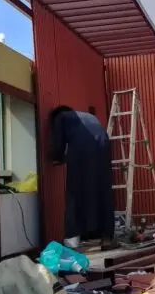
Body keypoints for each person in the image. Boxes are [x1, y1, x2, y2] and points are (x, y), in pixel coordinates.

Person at [49, 105, 116, 250]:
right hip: (103, 145)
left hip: (82, 148)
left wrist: (57, 157)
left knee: (75, 191)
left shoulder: (61, 116)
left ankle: (72, 240)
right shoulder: (89, 117)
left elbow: (58, 141)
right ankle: (107, 238)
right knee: (102, 190)